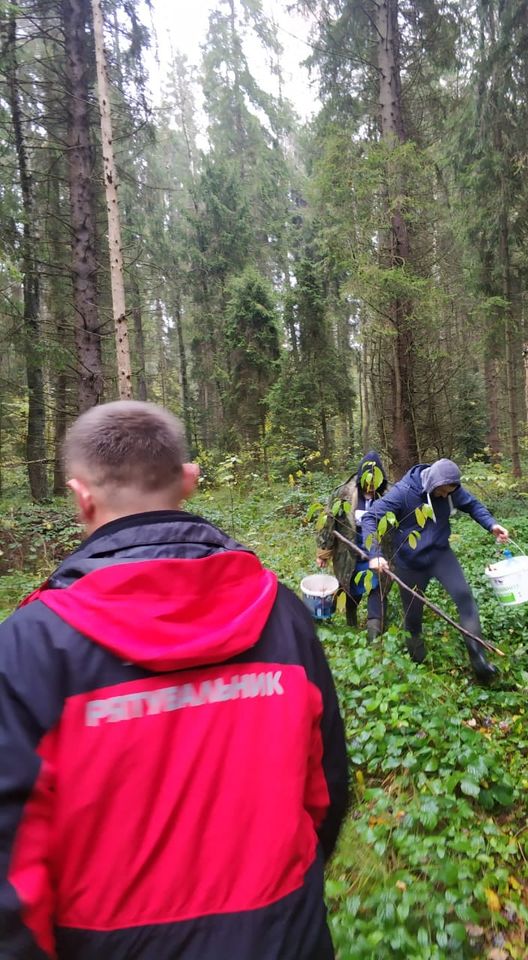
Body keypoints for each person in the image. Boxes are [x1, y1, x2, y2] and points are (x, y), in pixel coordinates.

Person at [0, 401, 348, 960]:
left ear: (80, 495)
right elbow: (326, 789)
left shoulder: (29, 646)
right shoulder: (281, 614)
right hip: (283, 934)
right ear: (188, 482)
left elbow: (12, 860)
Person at [362, 458, 509, 683]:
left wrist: (491, 524)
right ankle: (418, 665)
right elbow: (370, 517)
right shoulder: (403, 493)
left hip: (441, 555)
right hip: (410, 563)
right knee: (413, 618)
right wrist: (375, 554)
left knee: (465, 598)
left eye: (448, 492)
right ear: (432, 484)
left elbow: (472, 505)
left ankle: (479, 661)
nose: (444, 496)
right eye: (441, 491)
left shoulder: (450, 489)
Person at [316, 451, 391, 641]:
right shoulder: (343, 494)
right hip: (348, 552)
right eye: (368, 481)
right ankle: (351, 623)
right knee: (351, 586)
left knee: (378, 588)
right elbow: (329, 523)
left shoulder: (389, 494)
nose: (372, 485)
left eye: (376, 481)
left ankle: (375, 634)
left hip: (377, 551)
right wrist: (323, 552)